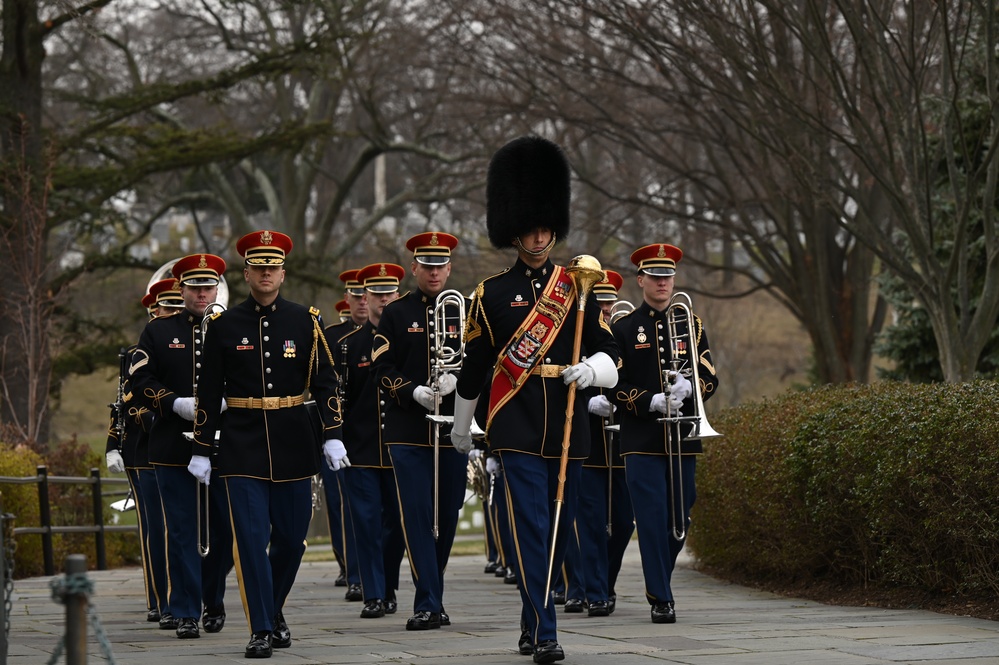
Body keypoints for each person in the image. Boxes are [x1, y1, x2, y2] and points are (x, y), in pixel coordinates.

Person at [451, 135, 619, 664]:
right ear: (514, 229)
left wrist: (594, 368)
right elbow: (476, 367)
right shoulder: (491, 294)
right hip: (516, 424)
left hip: (568, 424)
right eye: (531, 227)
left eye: (547, 227)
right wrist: (462, 426)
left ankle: (530, 619)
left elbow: (610, 350)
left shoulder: (577, 288)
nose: (541, 236)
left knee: (559, 528)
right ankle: (547, 631)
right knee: (531, 526)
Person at [190, 231, 348, 659]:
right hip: (241, 446)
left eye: (272, 267)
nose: (265, 273)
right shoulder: (223, 327)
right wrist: (202, 449)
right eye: (257, 267)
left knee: (292, 541)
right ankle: (261, 627)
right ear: (246, 274)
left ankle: (272, 609)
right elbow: (207, 392)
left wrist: (332, 435)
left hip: (295, 442)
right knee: (251, 538)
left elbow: (326, 382)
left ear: (282, 272)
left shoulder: (305, 321)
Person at [609, 243, 719, 624]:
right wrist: (650, 400)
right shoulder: (622, 329)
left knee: (681, 516)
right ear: (640, 280)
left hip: (684, 435)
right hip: (641, 438)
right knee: (653, 518)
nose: (662, 282)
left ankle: (660, 580)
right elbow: (613, 384)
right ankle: (661, 595)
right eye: (654, 276)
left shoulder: (692, 324)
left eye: (667, 276)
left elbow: (710, 374)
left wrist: (692, 388)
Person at [371, 232, 467, 631]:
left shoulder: (465, 311)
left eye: (440, 265)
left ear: (449, 268)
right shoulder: (395, 313)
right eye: (426, 265)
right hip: (408, 430)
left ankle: (433, 591)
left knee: (447, 513)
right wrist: (415, 392)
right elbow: (381, 369)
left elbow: (481, 363)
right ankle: (428, 601)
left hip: (452, 430)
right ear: (414, 269)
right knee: (417, 516)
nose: (433, 271)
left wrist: (458, 380)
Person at [130, 253, 227, 639]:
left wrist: (227, 399)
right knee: (182, 530)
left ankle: (214, 600)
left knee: (221, 530)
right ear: (181, 289)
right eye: (194, 287)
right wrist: (172, 402)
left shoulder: (231, 326)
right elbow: (140, 379)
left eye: (208, 286)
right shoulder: (157, 331)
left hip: (223, 444)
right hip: (171, 443)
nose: (202, 293)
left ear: (216, 288)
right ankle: (185, 609)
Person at [332, 261, 407, 620]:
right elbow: (339, 398)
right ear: (365, 297)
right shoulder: (348, 345)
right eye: (375, 294)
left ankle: (388, 583)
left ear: (397, 295)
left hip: (399, 448)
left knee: (397, 524)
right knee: (365, 522)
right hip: (360, 448)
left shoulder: (407, 338)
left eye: (388, 293)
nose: (382, 301)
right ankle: (373, 593)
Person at [566, 269, 635, 616]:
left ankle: (604, 583)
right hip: (589, 441)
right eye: (601, 305)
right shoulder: (578, 333)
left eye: (609, 304)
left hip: (621, 444)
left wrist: (619, 402)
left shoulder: (624, 331)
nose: (606, 311)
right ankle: (591, 591)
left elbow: (634, 377)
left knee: (623, 522)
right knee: (589, 522)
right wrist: (587, 400)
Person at [105, 320, 165, 624]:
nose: (169, 313)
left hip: (188, 448)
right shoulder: (137, 351)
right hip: (142, 450)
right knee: (153, 525)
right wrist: (111, 444)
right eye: (164, 308)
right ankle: (158, 597)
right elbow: (124, 402)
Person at [322, 268, 369, 591]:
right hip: (345, 429)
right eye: (357, 296)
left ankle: (372, 572)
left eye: (368, 295)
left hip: (376, 431)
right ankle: (352, 571)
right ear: (347, 299)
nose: (363, 302)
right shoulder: (333, 336)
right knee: (343, 502)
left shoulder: (387, 332)